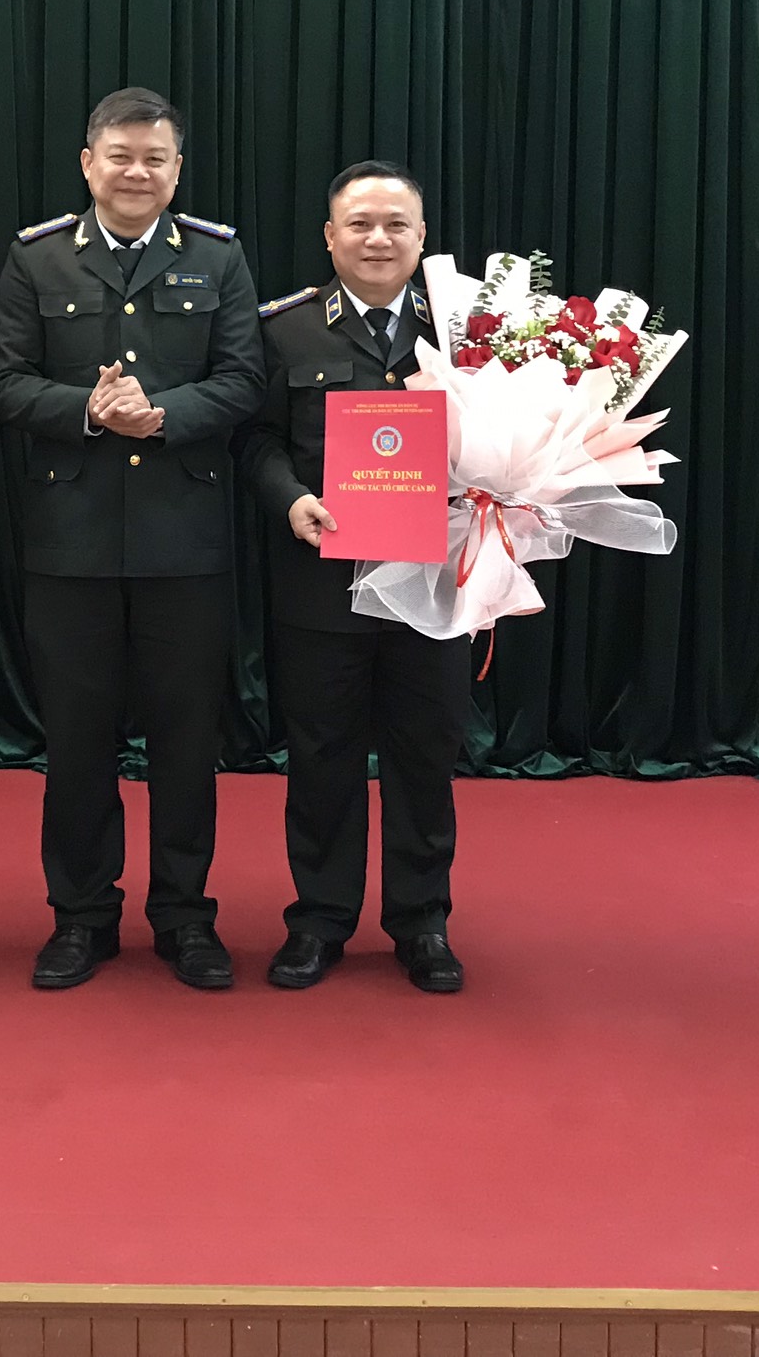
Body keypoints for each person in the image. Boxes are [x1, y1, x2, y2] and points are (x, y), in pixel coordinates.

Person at [0, 87, 266, 990]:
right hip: (69, 542)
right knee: (76, 743)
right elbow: (4, 382)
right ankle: (81, 917)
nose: (136, 172)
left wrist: (164, 415)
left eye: (154, 159)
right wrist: (91, 411)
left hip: (185, 543)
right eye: (119, 156)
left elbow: (244, 380)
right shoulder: (37, 258)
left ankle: (185, 917)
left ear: (177, 171)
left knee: (186, 743)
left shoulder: (218, 257)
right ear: (88, 163)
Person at [237, 161, 474, 994]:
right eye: (361, 224)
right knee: (322, 756)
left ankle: (423, 922)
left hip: (433, 586)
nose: (378, 239)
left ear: (421, 236)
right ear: (330, 237)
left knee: (425, 757)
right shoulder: (285, 330)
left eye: (396, 224)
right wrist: (290, 498)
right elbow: (255, 440)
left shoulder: (467, 334)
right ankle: (319, 920)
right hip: (321, 585)